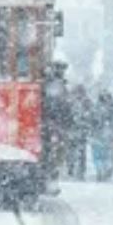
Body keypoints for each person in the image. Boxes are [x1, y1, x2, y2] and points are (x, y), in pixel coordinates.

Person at [41, 62, 72, 193]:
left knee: (53, 152)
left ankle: (49, 179)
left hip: (50, 124)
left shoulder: (51, 84)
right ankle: (50, 180)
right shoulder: (56, 86)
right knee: (54, 153)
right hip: (52, 125)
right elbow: (62, 107)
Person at [67, 85, 94, 180]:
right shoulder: (83, 102)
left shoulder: (72, 102)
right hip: (77, 131)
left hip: (77, 131)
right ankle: (75, 170)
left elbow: (91, 116)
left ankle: (76, 170)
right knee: (76, 152)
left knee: (75, 151)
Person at [91, 91, 113, 182]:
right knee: (108, 155)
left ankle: (100, 170)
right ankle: (107, 170)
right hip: (108, 135)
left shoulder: (94, 109)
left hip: (96, 135)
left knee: (97, 156)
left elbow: (91, 122)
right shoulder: (111, 109)